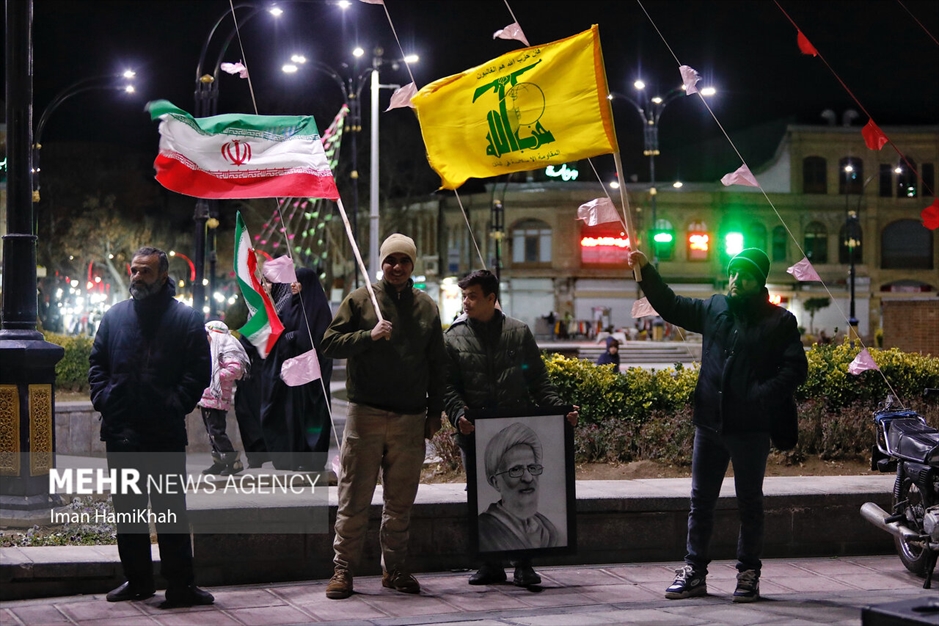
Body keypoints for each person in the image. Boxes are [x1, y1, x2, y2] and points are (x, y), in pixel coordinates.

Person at [627, 247, 807, 603]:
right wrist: (645, 269)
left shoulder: (779, 321)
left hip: (751, 428)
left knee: (749, 503)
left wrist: (759, 395)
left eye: (746, 275)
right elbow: (671, 304)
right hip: (709, 424)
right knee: (701, 502)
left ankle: (748, 573)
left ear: (760, 282)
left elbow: (795, 369)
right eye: (733, 273)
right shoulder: (714, 308)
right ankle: (694, 572)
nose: (736, 280)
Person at [321, 234, 447, 599]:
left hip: (410, 417)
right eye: (390, 260)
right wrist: (368, 335)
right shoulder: (361, 300)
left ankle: (395, 569)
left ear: (413, 265)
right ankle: (343, 570)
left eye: (404, 261)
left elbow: (437, 364)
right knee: (354, 497)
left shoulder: (426, 307)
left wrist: (434, 411)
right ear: (381, 262)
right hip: (366, 414)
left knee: (401, 500)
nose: (396, 267)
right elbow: (329, 343)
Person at [88, 247, 214, 608]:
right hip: (122, 430)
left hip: (163, 432)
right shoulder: (114, 317)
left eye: (145, 272)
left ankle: (181, 586)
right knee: (128, 511)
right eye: (134, 271)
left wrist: (174, 404)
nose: (137, 277)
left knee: (170, 511)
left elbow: (197, 373)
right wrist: (105, 398)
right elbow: (97, 363)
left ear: (163, 276)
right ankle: (138, 580)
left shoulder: (186, 318)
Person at [443, 269, 577, 588]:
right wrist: (457, 413)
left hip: (514, 425)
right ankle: (490, 564)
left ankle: (524, 563)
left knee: (521, 492)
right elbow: (447, 387)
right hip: (474, 431)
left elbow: (538, 380)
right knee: (478, 491)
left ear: (492, 299)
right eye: (464, 295)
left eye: (473, 295)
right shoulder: (453, 337)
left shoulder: (518, 333)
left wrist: (561, 413)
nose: (466, 302)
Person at [259, 267, 333, 471]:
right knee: (292, 417)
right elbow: (281, 331)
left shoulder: (317, 308)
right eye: (292, 280)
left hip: (311, 378)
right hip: (293, 376)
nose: (293, 284)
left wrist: (297, 338)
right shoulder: (290, 305)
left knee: (312, 417)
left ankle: (312, 460)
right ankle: (294, 458)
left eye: (297, 281)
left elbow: (319, 339)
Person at [478, 422, 559, 552]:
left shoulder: (548, 529)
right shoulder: (484, 529)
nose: (528, 478)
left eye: (532, 468)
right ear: (496, 482)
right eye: (516, 470)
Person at [198, 320, 249, 476]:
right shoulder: (211, 350)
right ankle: (219, 462)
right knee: (211, 432)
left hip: (218, 399)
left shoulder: (225, 349)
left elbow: (236, 369)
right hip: (208, 398)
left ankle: (233, 462)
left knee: (217, 431)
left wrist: (214, 376)